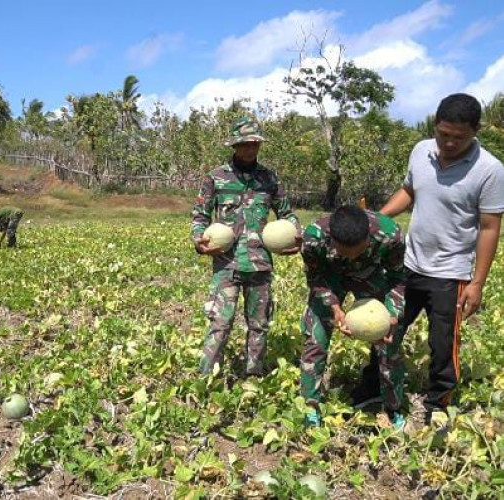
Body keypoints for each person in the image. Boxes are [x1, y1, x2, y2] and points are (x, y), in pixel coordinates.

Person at [375, 93, 504, 424]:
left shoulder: (490, 170)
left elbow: (490, 227)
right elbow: (409, 191)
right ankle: (374, 386)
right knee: (387, 328)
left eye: (458, 138)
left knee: (443, 344)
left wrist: (477, 283)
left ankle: (439, 402)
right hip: (408, 263)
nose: (448, 143)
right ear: (436, 125)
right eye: (443, 134)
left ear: (476, 131)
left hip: (451, 273)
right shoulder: (421, 150)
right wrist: (375, 220)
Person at [191, 117, 301, 377]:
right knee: (220, 322)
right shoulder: (216, 178)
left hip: (259, 262)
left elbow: (287, 214)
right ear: (234, 145)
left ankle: (254, 377)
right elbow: (199, 216)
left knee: (259, 324)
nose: (250, 149)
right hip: (226, 263)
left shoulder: (269, 178)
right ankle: (205, 379)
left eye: (254, 144)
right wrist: (199, 242)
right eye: (244, 144)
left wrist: (296, 236)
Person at [300, 205, 406, 429]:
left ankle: (393, 407)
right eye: (346, 253)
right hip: (330, 279)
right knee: (315, 340)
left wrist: (393, 314)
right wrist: (335, 307)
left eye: (359, 251)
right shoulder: (313, 238)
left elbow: (398, 278)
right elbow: (315, 276)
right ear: (332, 241)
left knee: (389, 342)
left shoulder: (390, 235)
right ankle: (310, 406)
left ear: (369, 236)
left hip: (369, 276)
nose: (353, 257)